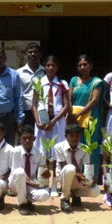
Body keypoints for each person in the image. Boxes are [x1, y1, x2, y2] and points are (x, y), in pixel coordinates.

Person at [32, 55, 69, 197]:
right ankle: (44, 183)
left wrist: (54, 121)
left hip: (57, 123)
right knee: (43, 154)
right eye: (47, 65)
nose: (50, 68)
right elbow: (34, 105)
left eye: (53, 65)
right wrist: (37, 122)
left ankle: (54, 184)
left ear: (57, 67)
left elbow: (66, 106)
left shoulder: (62, 84)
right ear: (44, 67)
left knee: (55, 153)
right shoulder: (38, 82)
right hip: (42, 123)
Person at [67, 54, 105, 179]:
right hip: (74, 118)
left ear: (91, 66)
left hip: (90, 117)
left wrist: (77, 114)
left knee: (91, 147)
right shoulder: (74, 80)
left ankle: (91, 177)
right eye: (80, 65)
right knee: (75, 145)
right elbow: (69, 97)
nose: (82, 67)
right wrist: (71, 113)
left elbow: (94, 101)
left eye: (85, 64)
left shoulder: (96, 82)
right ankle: (75, 177)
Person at [54, 123, 101, 213]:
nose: (74, 138)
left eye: (76, 136)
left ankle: (75, 194)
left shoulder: (85, 148)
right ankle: (65, 199)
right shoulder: (58, 147)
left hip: (78, 178)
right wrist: (78, 175)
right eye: (71, 136)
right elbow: (64, 166)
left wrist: (91, 178)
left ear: (80, 136)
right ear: (65, 136)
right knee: (70, 168)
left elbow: (86, 166)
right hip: (64, 177)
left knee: (95, 191)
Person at [9, 125, 50, 215]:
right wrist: (31, 183)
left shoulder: (40, 153)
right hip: (15, 183)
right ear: (19, 139)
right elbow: (15, 173)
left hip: (30, 183)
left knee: (45, 195)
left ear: (34, 139)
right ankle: (22, 204)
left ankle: (26, 200)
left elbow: (41, 174)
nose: (27, 141)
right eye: (24, 138)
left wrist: (45, 175)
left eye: (29, 138)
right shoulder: (15, 152)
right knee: (20, 172)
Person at [17, 43, 46, 129]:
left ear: (40, 54)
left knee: (42, 138)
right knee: (27, 139)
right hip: (26, 112)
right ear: (25, 54)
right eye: (30, 52)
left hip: (42, 111)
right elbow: (17, 95)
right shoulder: (19, 73)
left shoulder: (45, 72)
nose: (33, 54)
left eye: (35, 52)